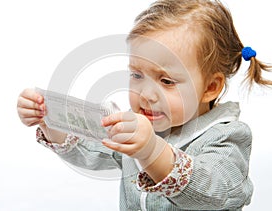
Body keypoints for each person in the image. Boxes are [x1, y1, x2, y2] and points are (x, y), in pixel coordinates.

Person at [17, 0, 272, 210]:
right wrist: (51, 120)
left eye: (166, 81)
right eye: (137, 75)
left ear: (210, 88)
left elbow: (215, 191)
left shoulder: (226, 136)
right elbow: (93, 151)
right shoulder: (138, 124)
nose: (147, 94)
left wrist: (151, 151)